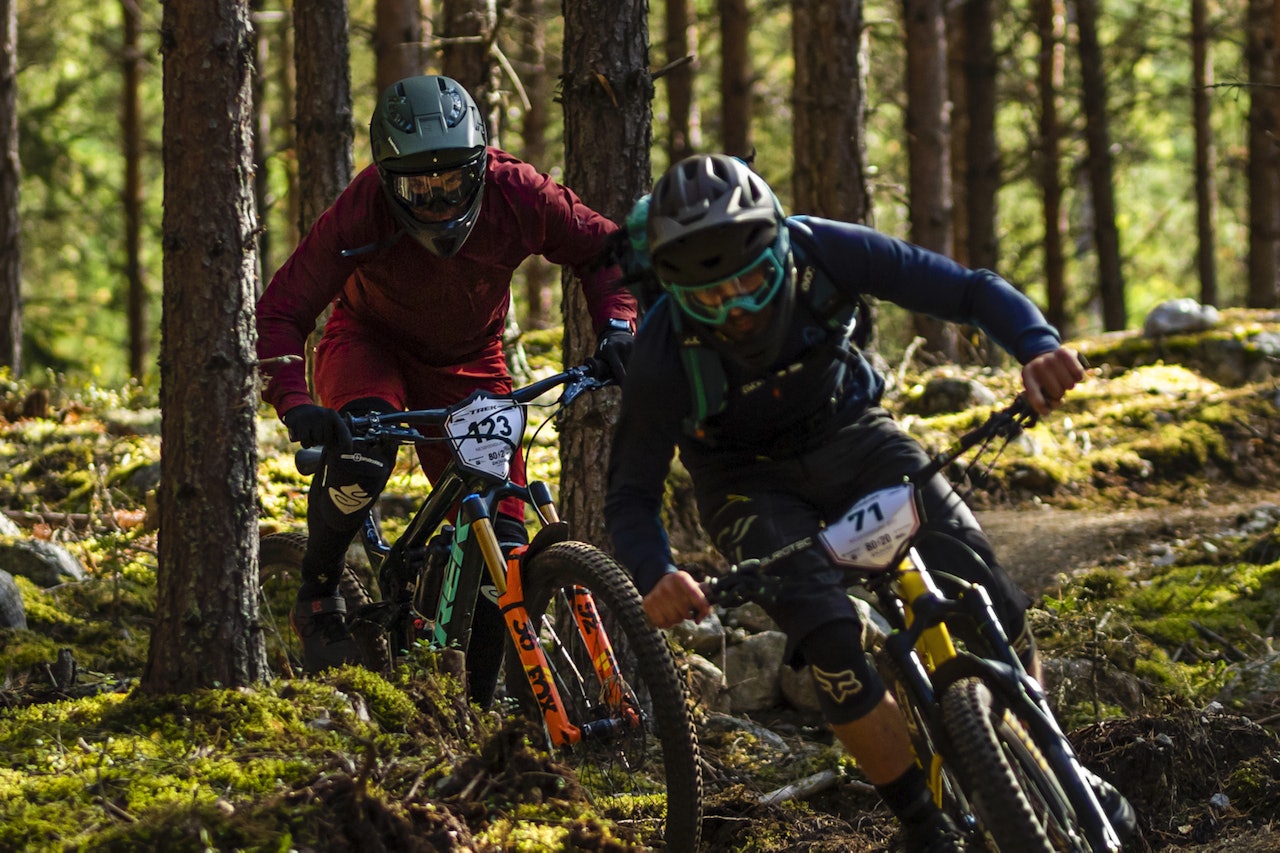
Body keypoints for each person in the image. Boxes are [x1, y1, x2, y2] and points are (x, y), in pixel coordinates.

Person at [604, 154, 1133, 851]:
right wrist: (655, 573)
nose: (735, 311)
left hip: (854, 433)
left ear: (779, 249)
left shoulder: (826, 250)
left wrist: (1035, 346)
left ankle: (1049, 750)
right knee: (828, 644)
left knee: (985, 592)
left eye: (752, 282)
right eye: (709, 298)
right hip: (746, 483)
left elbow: (968, 291)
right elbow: (632, 493)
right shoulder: (662, 353)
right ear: (675, 290)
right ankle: (921, 821)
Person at [256, 75, 636, 701]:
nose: (435, 199)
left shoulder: (519, 191)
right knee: (359, 456)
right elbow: (280, 311)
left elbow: (608, 249)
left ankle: (476, 716)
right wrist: (297, 404)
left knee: (505, 549)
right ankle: (318, 588)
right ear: (386, 176)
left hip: (468, 361)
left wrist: (619, 327)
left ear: (480, 165)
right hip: (368, 346)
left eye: (452, 180)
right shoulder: (361, 208)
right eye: (416, 185)